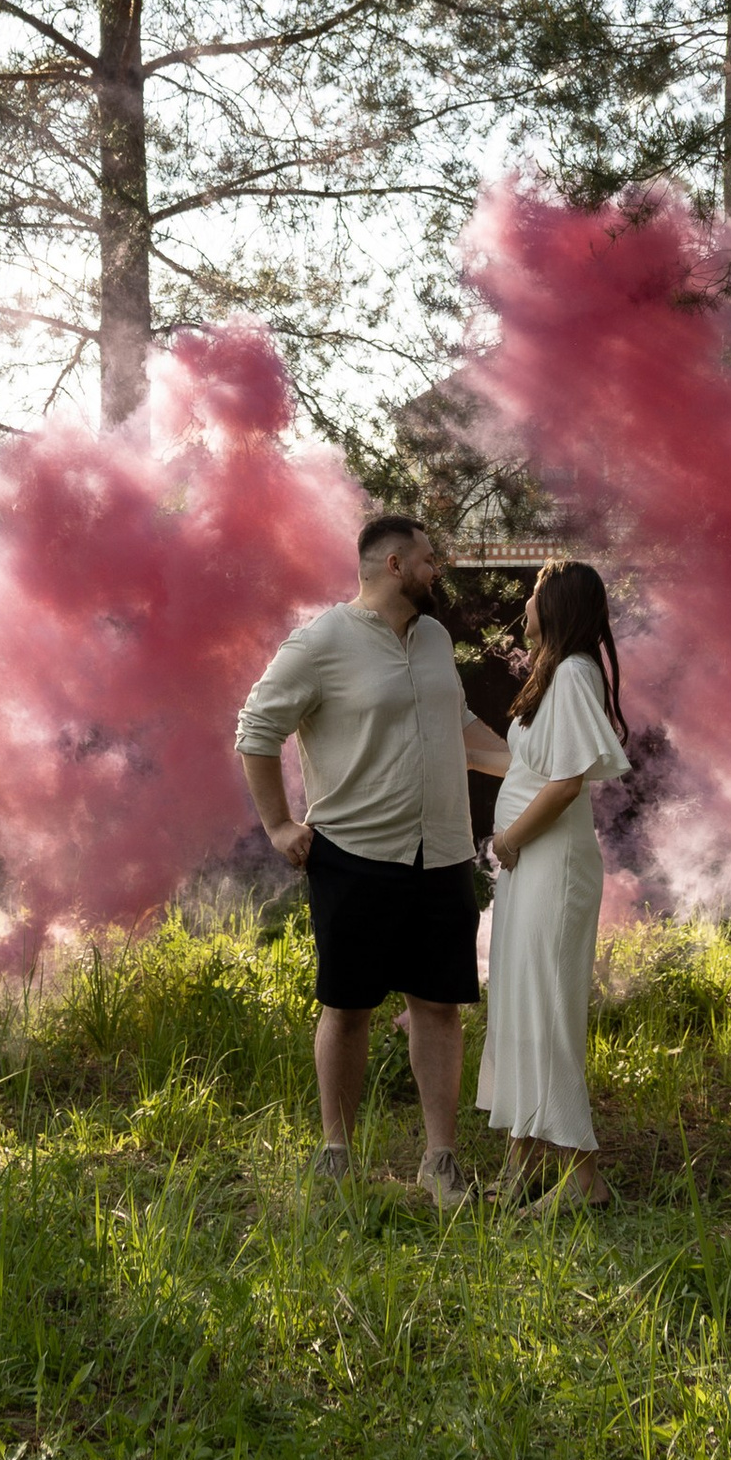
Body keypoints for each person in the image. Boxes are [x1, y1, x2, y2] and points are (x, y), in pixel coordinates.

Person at [237, 514, 509, 1205]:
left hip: (443, 855)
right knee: (347, 1007)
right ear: (393, 564)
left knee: (439, 1006)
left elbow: (460, 725)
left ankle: (439, 1162)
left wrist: (533, 768)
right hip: (354, 854)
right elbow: (257, 728)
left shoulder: (434, 637)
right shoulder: (321, 641)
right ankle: (336, 1155)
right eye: (428, 559)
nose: (436, 570)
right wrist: (276, 824)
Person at [476, 561, 630, 1208]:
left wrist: (509, 840)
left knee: (546, 1008)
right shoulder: (556, 672)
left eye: (535, 593)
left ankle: (584, 1178)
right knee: (518, 1004)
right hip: (527, 868)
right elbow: (528, 764)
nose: (526, 601)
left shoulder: (573, 671)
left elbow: (566, 783)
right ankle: (522, 1166)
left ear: (558, 602)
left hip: (548, 864)